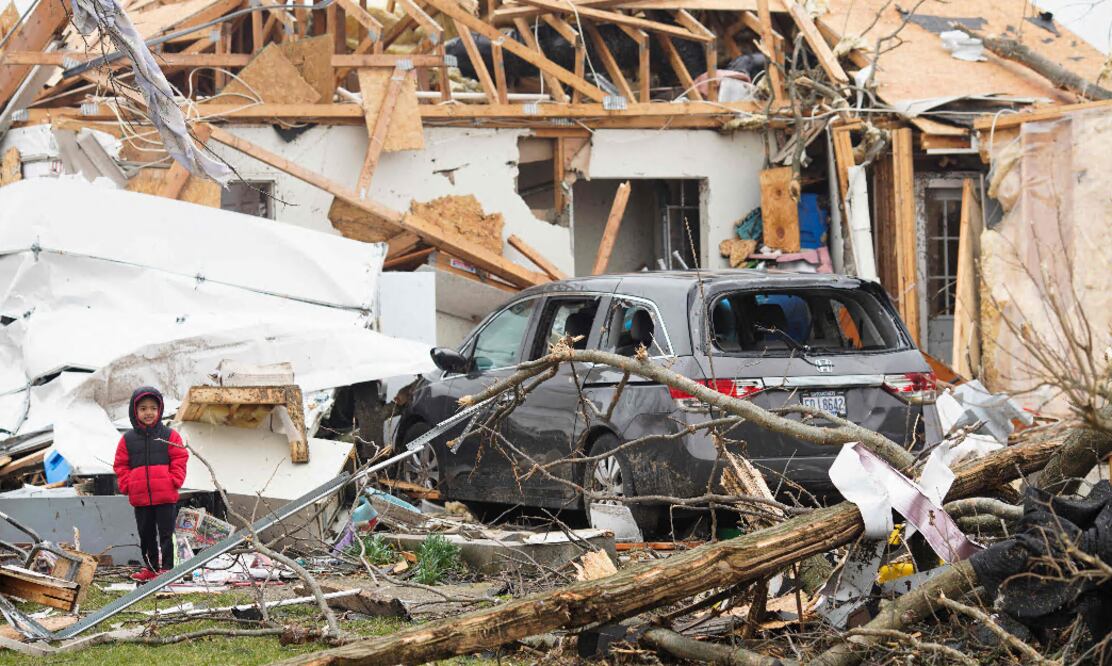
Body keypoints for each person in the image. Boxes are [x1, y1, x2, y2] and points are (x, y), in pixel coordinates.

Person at [113, 386, 189, 582]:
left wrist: (174, 480)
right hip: (140, 498)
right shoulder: (128, 440)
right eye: (143, 408)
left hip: (165, 496)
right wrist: (128, 485)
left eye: (153, 408)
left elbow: (180, 457)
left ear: (160, 410)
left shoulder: (170, 435)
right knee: (146, 535)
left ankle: (168, 569)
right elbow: (120, 465)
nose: (149, 412)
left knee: (167, 534)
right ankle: (151, 568)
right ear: (134, 411)